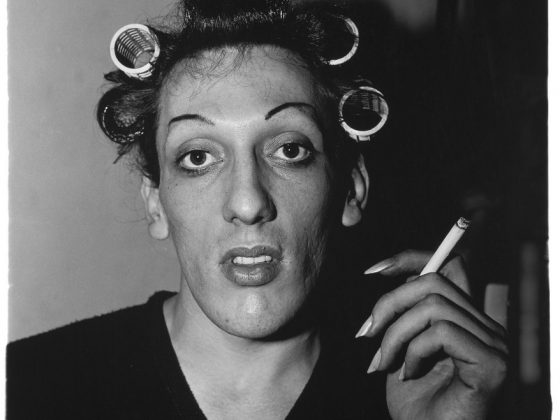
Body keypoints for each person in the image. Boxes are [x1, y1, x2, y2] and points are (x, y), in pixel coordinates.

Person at [7, 0, 507, 418]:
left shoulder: (422, 394)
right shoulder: (25, 387)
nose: (248, 203)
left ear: (351, 190)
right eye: (198, 157)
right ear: (155, 200)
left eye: (290, 149)